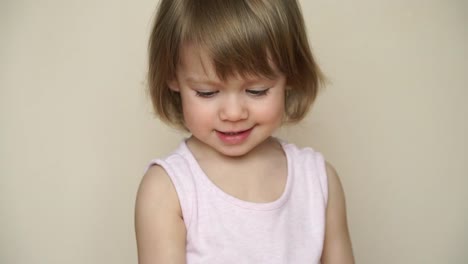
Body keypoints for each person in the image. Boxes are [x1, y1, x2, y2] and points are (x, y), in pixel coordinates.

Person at [135, 0, 354, 263]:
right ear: (173, 77)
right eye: (207, 92)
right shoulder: (167, 190)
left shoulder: (318, 181)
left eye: (257, 90)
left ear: (291, 74)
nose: (234, 113)